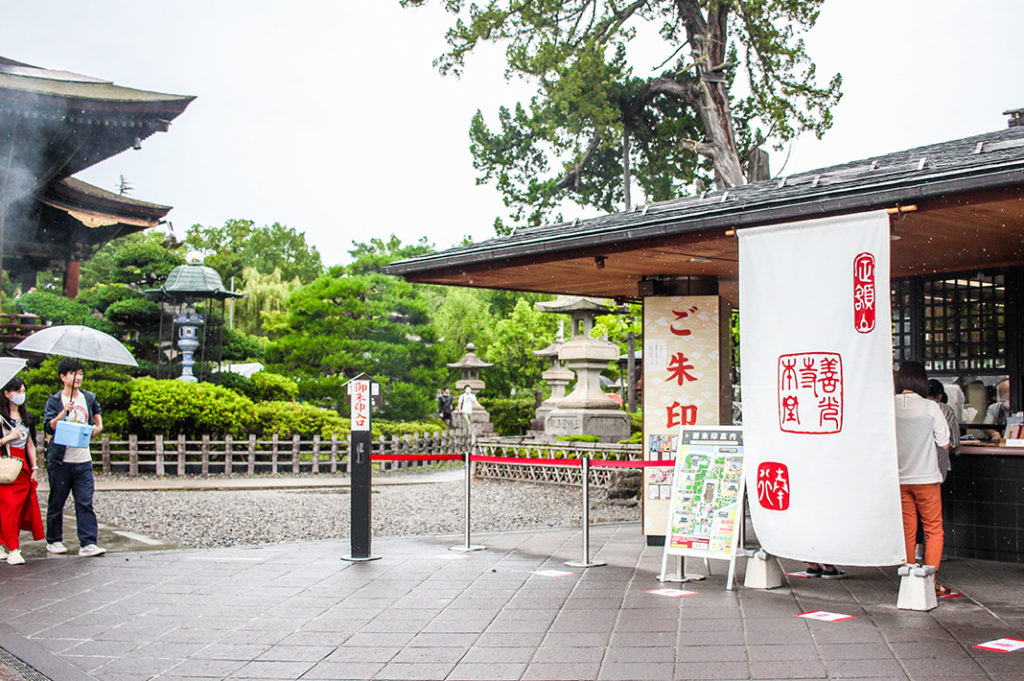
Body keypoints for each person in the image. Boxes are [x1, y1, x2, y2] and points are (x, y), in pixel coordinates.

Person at [894, 361, 951, 596]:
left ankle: (907, 576)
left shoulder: (888, 407)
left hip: (899, 479)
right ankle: (930, 581)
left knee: (907, 529)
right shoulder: (931, 408)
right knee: (933, 529)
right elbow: (945, 442)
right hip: (926, 477)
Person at [42, 358, 105, 557]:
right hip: (61, 459)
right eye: (74, 374)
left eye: (81, 373)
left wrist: (99, 426)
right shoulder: (54, 400)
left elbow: (97, 412)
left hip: (83, 458)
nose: (79, 377)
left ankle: (88, 542)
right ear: (63, 377)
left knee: (85, 501)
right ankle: (54, 539)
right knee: (57, 501)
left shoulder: (88, 397)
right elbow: (48, 425)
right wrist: (63, 412)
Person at [0, 377, 43, 565]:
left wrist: (34, 466)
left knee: (18, 509)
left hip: (23, 466)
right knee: (9, 507)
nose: (21, 395)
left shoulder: (28, 418)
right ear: (7, 394)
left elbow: (30, 444)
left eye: (23, 391)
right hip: (6, 465)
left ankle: (7, 543)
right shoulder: (1, 418)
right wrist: (8, 437)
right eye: (17, 392)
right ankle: (13, 548)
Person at [927, 379, 959, 481]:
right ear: (940, 395)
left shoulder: (915, 408)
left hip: (914, 469)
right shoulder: (946, 410)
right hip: (938, 467)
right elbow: (954, 441)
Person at [983, 379, 1010, 444]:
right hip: (999, 443)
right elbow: (986, 427)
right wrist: (994, 433)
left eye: (1005, 392)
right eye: (1002, 393)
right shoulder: (994, 407)